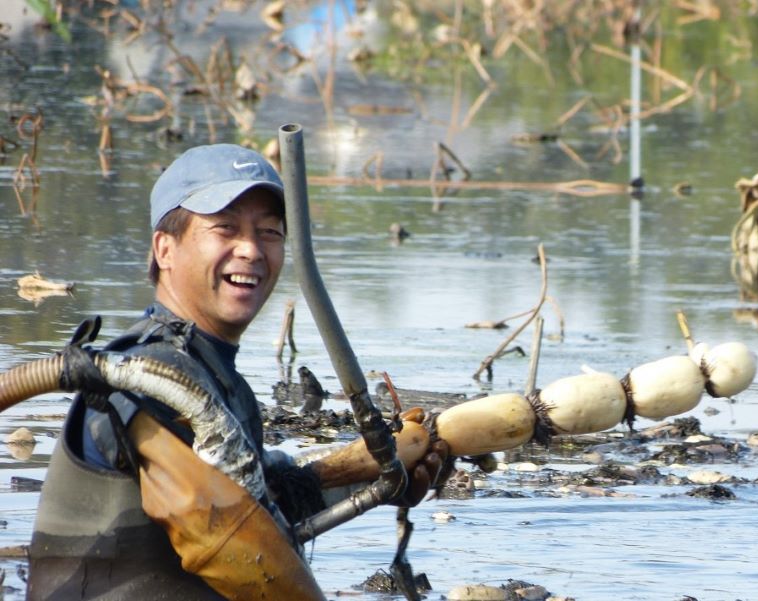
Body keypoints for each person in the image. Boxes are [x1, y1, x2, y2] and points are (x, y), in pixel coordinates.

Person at [27, 143, 447, 600]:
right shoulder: (151, 376)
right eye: (225, 228)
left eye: (269, 231)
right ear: (165, 248)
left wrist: (376, 482)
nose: (250, 249)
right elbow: (231, 540)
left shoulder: (212, 372)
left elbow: (254, 501)